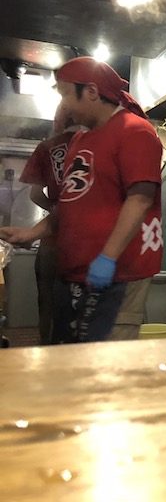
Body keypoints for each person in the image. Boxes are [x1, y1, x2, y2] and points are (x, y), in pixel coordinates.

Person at [0, 57, 163, 343]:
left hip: (119, 275)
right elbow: (71, 203)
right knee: (74, 361)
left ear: (90, 91)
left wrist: (107, 258)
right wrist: (32, 232)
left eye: (65, 95)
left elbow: (140, 199)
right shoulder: (81, 141)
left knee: (108, 365)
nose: (64, 106)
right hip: (76, 274)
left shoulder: (135, 131)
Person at [19, 102, 83, 344]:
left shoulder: (47, 147)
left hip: (52, 241)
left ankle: (46, 348)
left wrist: (56, 209)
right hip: (85, 241)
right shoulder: (95, 144)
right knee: (79, 303)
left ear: (57, 120)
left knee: (46, 301)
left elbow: (35, 193)